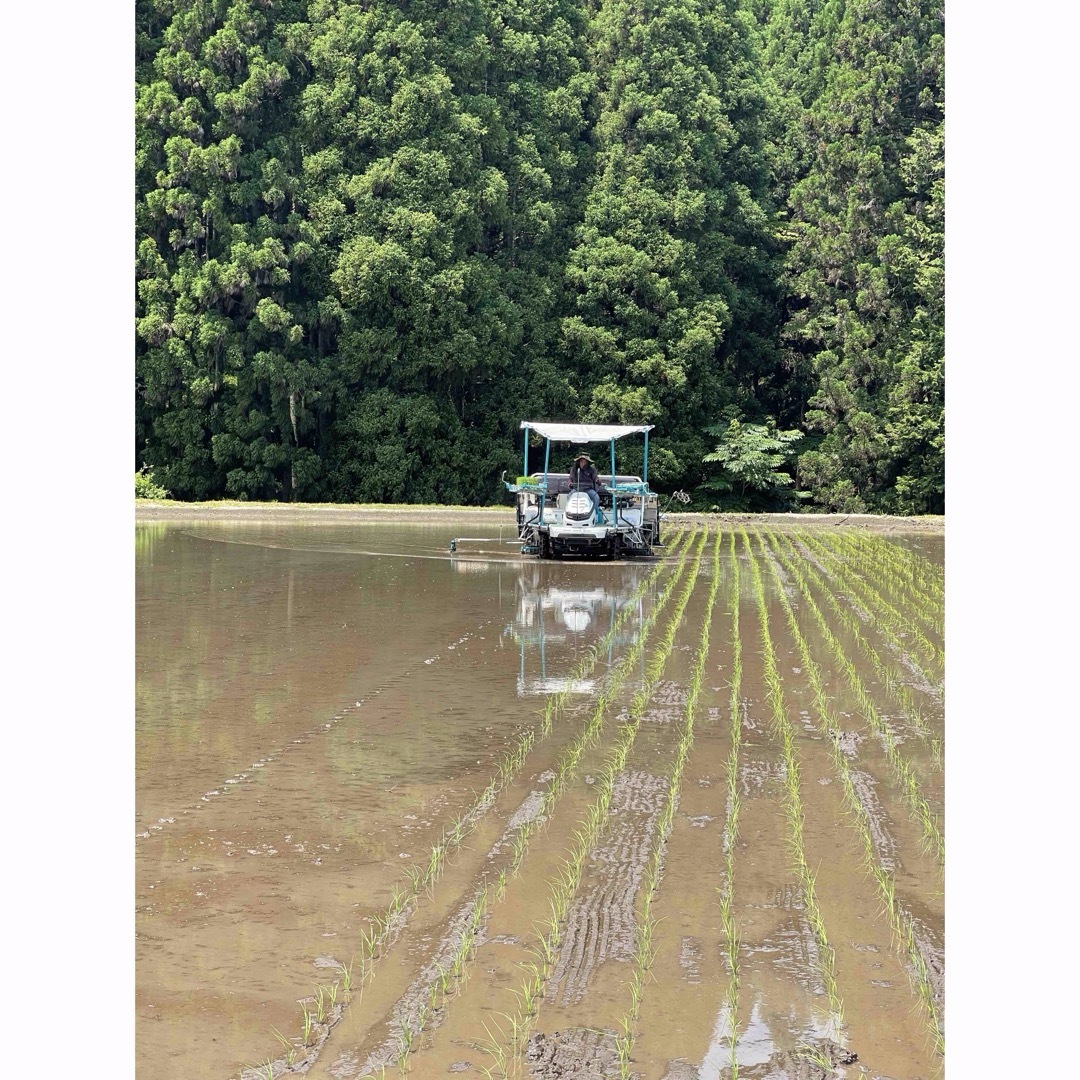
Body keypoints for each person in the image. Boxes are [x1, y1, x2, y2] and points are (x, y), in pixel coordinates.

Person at [569, 452, 602, 521]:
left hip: (588, 489)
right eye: (581, 461)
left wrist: (597, 481)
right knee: (569, 496)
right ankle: (571, 515)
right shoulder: (574, 469)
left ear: (587, 462)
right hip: (577, 489)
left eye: (584, 461)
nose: (582, 463)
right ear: (578, 462)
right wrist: (570, 483)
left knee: (596, 498)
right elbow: (570, 478)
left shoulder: (592, 470)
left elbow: (596, 478)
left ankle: (594, 514)